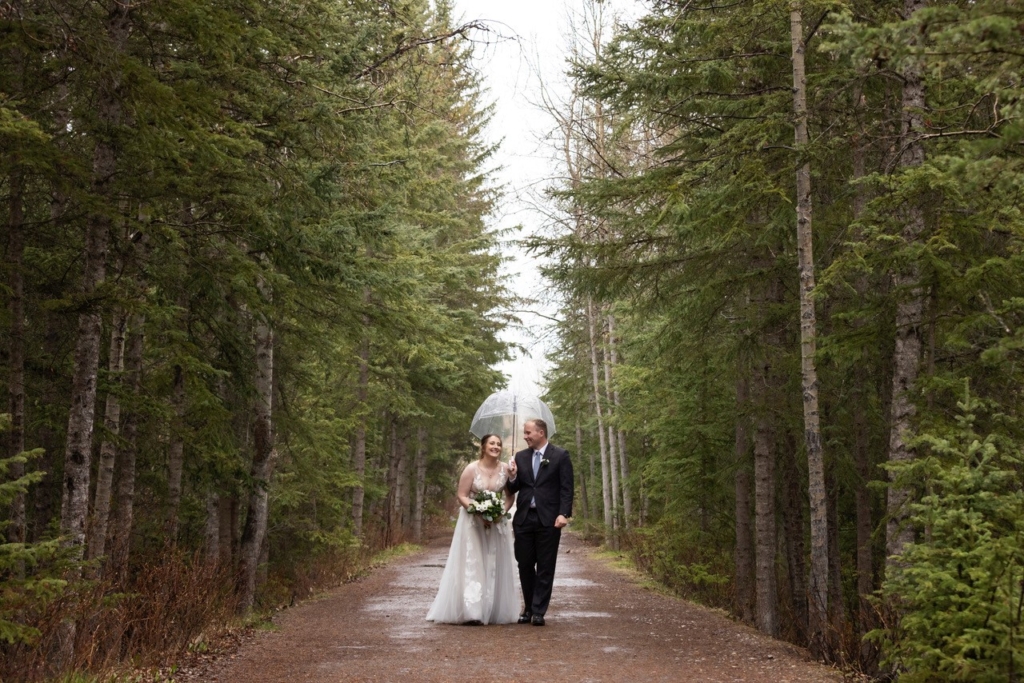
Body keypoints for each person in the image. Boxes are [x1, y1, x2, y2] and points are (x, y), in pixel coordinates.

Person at [426, 434, 519, 625]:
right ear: (483, 447)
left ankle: (493, 609)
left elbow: (510, 497)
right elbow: (462, 495)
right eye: (492, 443)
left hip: (496, 523)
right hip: (472, 522)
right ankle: (472, 611)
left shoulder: (505, 469)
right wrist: (477, 511)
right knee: (473, 562)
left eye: (499, 444)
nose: (496, 447)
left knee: (494, 562)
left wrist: (500, 513)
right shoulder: (471, 469)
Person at [506, 418, 573, 626]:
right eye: (525, 433)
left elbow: (566, 488)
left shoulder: (560, 455)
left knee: (545, 566)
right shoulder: (521, 456)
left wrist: (564, 514)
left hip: (549, 519)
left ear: (541, 433)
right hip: (524, 518)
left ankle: (538, 611)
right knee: (525, 564)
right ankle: (528, 606)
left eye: (528, 433)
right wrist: (512, 476)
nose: (525, 436)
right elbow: (515, 488)